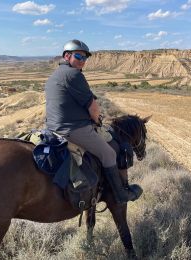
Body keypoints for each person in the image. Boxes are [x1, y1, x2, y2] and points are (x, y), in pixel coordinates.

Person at [45, 39, 142, 204]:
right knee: (109, 153)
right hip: (72, 129)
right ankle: (121, 195)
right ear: (67, 56)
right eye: (78, 56)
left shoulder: (54, 75)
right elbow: (94, 109)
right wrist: (97, 120)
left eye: (85, 58)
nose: (82, 61)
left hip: (52, 127)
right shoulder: (74, 74)